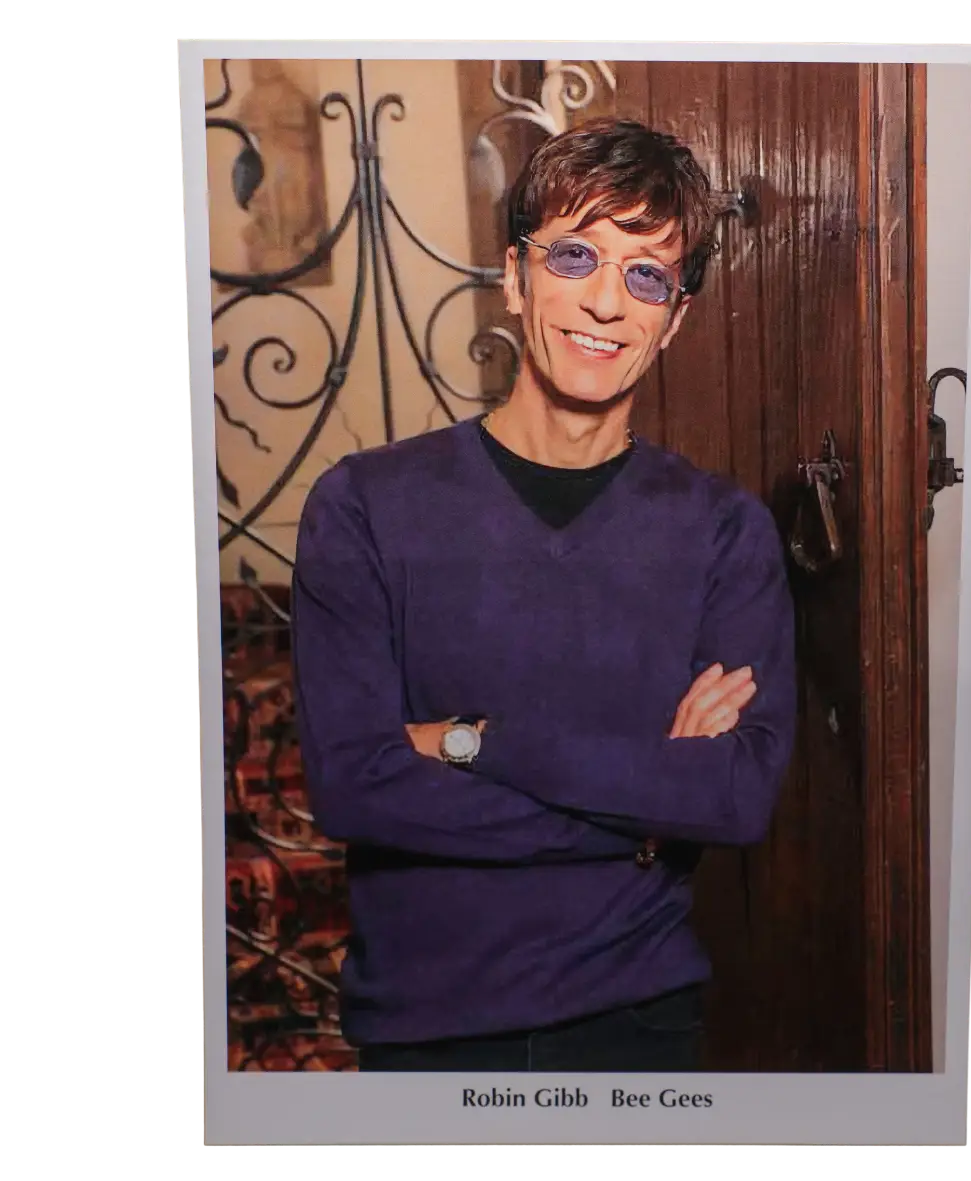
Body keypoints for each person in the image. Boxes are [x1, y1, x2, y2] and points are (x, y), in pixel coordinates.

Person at [290, 117, 797, 1073]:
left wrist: (469, 741)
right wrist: (645, 817)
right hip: (422, 1025)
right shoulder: (363, 505)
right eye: (575, 256)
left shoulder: (724, 531)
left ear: (674, 317)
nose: (606, 301)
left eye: (646, 275)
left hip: (639, 1016)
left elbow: (733, 798)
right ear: (516, 277)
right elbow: (353, 785)